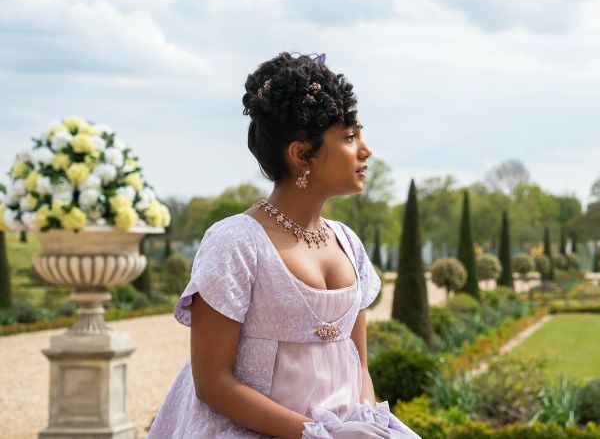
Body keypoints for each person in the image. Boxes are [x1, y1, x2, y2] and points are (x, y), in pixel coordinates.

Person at [149, 53, 417, 438]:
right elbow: (212, 383)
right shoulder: (237, 243)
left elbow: (358, 363)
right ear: (301, 155)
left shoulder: (349, 243)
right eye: (348, 136)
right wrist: (316, 435)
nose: (365, 150)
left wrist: (366, 425)